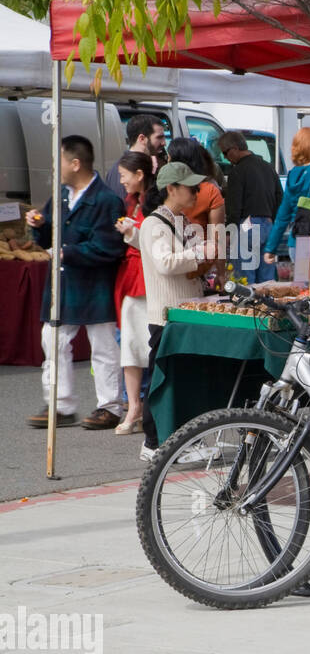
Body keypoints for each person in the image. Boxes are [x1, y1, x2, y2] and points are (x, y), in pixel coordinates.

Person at [25, 135, 126, 430]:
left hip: (96, 283)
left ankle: (110, 406)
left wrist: (66, 252)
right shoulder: (60, 196)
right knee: (52, 339)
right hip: (64, 282)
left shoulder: (108, 200)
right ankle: (59, 404)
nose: (55, 167)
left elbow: (110, 248)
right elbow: (47, 238)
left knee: (104, 346)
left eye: (59, 161)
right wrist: (39, 227)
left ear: (76, 163)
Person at [135, 162, 216, 461]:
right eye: (191, 188)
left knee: (179, 380)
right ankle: (154, 443)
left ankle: (177, 441)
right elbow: (165, 263)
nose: (197, 192)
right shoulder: (155, 224)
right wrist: (199, 254)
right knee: (163, 382)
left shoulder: (178, 221)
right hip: (166, 317)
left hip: (181, 313)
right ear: (171, 189)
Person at [109, 152, 161, 435]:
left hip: (148, 279)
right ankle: (134, 407)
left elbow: (156, 242)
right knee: (129, 345)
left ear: (139, 175)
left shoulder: (153, 202)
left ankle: (146, 408)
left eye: (124, 175)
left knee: (150, 347)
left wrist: (132, 232)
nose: (121, 180)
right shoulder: (131, 202)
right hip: (130, 279)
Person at [263, 127, 310, 274]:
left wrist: (270, 248)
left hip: (295, 243)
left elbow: (282, 216)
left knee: (305, 291)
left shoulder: (293, 175)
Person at [218, 129, 283, 282]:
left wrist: (229, 231)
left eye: (225, 153)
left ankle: (248, 306)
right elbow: (280, 197)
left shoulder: (238, 171)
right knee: (267, 282)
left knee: (245, 281)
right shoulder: (268, 167)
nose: (225, 158)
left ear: (234, 149)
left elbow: (234, 206)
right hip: (268, 225)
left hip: (247, 227)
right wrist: (271, 219)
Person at [167, 137, 226, 265]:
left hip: (170, 257)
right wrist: (220, 273)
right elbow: (217, 238)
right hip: (199, 261)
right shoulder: (210, 190)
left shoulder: (164, 188)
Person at [102, 113, 167, 201]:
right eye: (159, 137)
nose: (164, 143)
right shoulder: (125, 170)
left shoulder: (133, 166)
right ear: (142, 138)